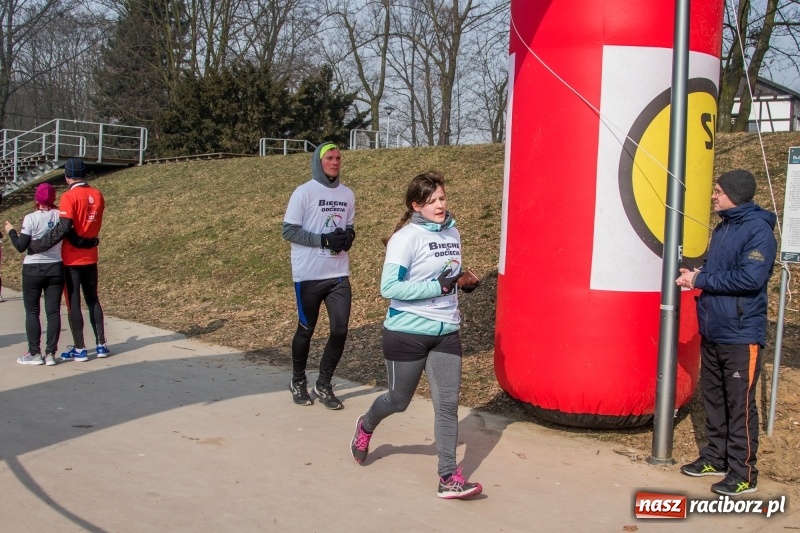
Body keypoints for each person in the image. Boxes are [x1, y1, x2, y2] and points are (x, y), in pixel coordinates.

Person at [349, 171, 481, 500]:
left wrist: (462, 280)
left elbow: (447, 274)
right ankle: (366, 425)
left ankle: (448, 477)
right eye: (432, 201)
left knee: (448, 407)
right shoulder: (405, 239)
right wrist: (436, 287)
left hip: (446, 332)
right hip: (407, 332)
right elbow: (389, 288)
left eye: (442, 198)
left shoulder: (452, 232)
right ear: (416, 205)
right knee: (398, 400)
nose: (440, 205)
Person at [676, 169, 777, 496]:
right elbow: (717, 271)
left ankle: (743, 472)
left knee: (740, 404)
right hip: (714, 329)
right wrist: (696, 273)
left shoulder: (759, 232)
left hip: (740, 333)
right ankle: (714, 458)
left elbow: (749, 280)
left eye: (718, 191)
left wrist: (700, 281)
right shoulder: (723, 229)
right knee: (715, 400)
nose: (713, 195)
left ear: (734, 194)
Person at [281, 142, 356, 410]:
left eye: (338, 158)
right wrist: (322, 240)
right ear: (319, 161)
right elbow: (289, 231)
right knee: (306, 330)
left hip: (337, 274)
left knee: (340, 330)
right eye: (329, 158)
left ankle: (324, 384)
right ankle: (298, 380)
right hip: (309, 275)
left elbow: (348, 227)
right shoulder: (303, 192)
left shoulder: (348, 194)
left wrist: (348, 237)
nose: (335, 162)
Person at [28, 158, 109, 362]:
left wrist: (38, 245)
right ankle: (101, 345)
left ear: (67, 176)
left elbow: (64, 228)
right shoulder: (97, 194)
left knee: (74, 302)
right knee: (93, 300)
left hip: (72, 258)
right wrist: (89, 240)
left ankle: (80, 348)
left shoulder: (69, 196)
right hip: (91, 256)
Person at [5, 183, 65, 365]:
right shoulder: (60, 215)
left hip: (33, 269)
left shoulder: (30, 218)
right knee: (53, 311)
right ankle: (51, 354)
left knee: (32, 311)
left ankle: (34, 353)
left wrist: (11, 232)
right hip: (55, 267)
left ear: (36, 199)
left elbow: (21, 246)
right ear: (53, 198)